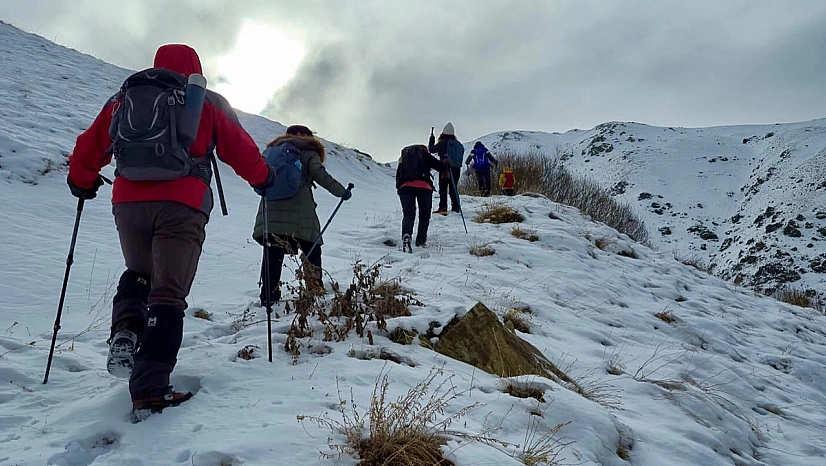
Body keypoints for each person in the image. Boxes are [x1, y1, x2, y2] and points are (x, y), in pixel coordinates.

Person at [67, 44, 275, 414]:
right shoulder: (205, 100)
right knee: (168, 292)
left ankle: (126, 332)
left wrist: (82, 181)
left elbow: (90, 145)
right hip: (182, 204)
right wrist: (263, 179)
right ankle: (149, 388)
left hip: (128, 203)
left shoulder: (124, 97)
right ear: (195, 68)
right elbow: (240, 150)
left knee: (139, 273)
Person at [253, 125, 350, 306]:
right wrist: (342, 192)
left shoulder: (271, 151)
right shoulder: (307, 151)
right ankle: (314, 290)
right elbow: (320, 174)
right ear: (308, 136)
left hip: (270, 210)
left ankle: (268, 297)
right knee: (311, 246)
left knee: (273, 251)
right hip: (300, 211)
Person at [396, 144, 448, 252]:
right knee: (424, 215)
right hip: (424, 187)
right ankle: (421, 240)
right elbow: (440, 167)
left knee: (408, 214)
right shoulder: (425, 154)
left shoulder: (404, 159)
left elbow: (398, 175)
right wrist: (446, 164)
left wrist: (400, 189)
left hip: (405, 188)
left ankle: (406, 235)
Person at [428, 122, 464, 214]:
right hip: (456, 169)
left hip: (445, 169)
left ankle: (443, 207)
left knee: (443, 188)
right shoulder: (459, 145)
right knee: (453, 188)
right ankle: (456, 207)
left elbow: (431, 149)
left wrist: (432, 138)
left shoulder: (443, 143)